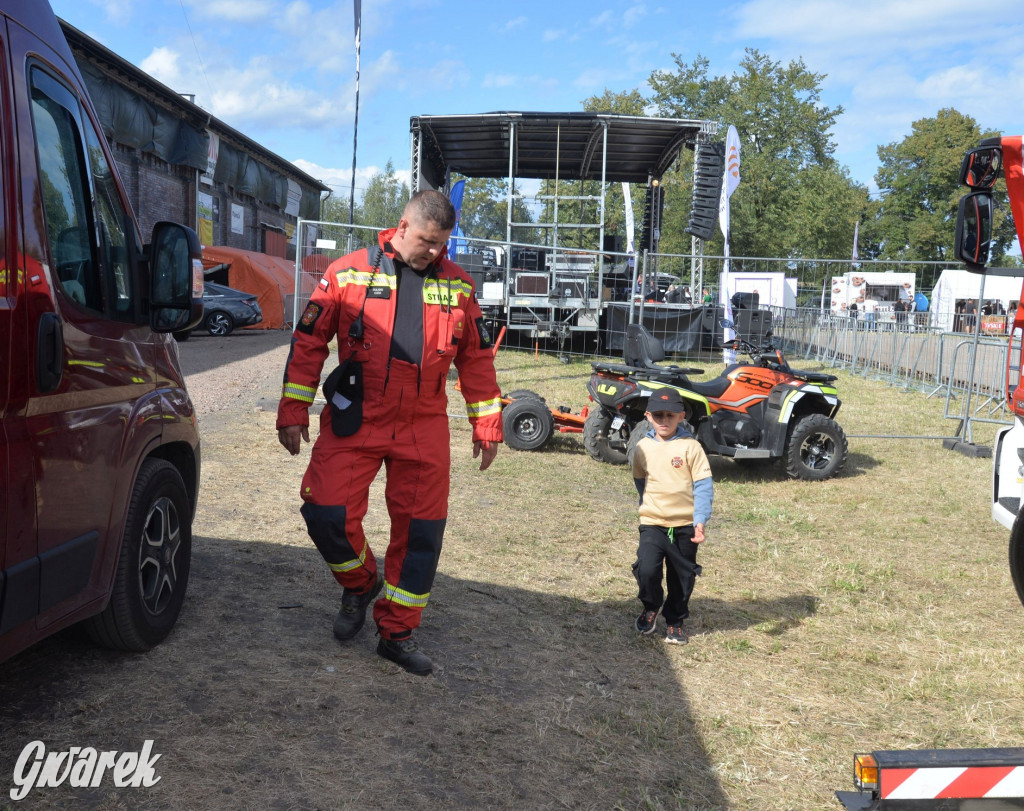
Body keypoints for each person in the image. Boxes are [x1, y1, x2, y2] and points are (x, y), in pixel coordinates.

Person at [276, 190, 503, 676]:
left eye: (442, 244)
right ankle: (360, 584)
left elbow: (476, 359)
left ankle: (396, 632)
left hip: (423, 424)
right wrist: (293, 405)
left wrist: (486, 421)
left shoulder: (459, 286)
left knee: (421, 533)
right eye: (426, 241)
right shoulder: (348, 272)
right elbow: (310, 340)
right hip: (357, 414)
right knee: (325, 512)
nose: (434, 252)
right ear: (402, 227)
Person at [630, 389, 714, 645]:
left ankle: (675, 620)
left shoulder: (691, 447)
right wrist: (650, 506)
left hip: (686, 525)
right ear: (648, 416)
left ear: (681, 415)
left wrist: (699, 520)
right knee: (647, 569)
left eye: (670, 415)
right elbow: (640, 481)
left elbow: (703, 486)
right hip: (653, 522)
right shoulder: (642, 448)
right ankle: (651, 606)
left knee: (682, 577)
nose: (664, 420)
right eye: (658, 415)